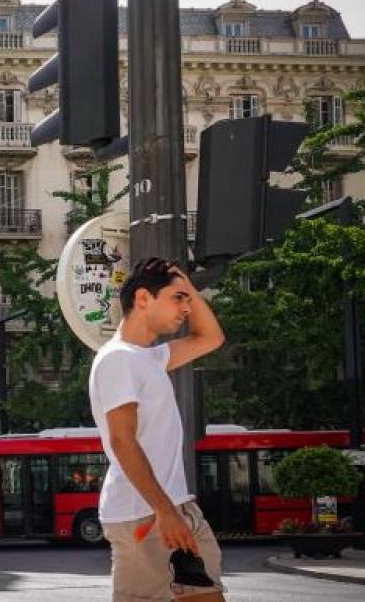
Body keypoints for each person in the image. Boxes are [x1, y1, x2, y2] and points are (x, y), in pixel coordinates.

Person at [89, 258, 228, 602]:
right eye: (177, 298)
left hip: (174, 507)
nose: (186, 308)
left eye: (187, 300)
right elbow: (123, 441)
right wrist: (165, 512)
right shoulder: (118, 359)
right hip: (146, 513)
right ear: (142, 299)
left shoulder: (149, 358)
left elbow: (211, 337)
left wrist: (188, 287)